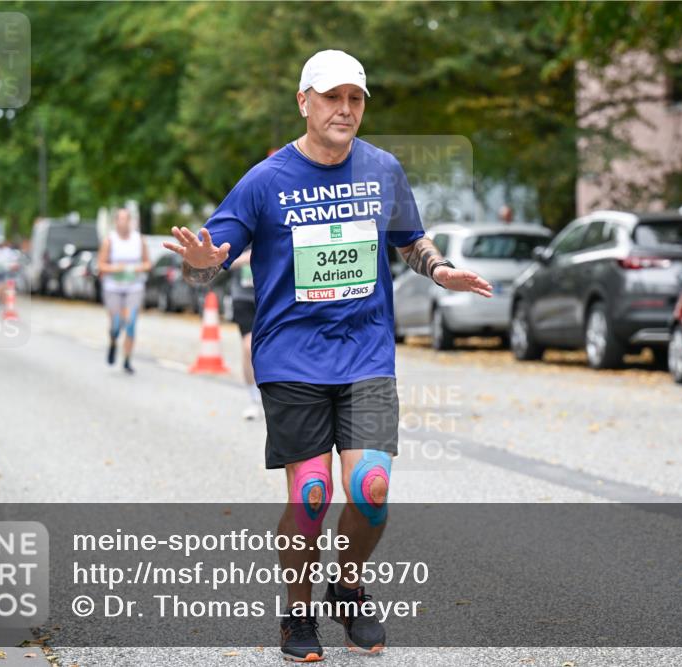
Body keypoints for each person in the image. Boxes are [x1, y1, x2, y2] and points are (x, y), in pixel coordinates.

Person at [164, 49, 491, 662]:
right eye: (332, 97)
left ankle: (346, 585)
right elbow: (213, 257)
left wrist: (440, 269)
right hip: (291, 358)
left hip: (366, 352)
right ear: (304, 101)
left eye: (356, 99)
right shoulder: (265, 180)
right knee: (312, 495)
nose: (345, 109)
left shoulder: (382, 169)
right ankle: (296, 612)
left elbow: (408, 239)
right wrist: (201, 264)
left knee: (369, 489)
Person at [98, 208, 150, 374]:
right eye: (120, 219)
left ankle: (127, 359)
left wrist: (137, 268)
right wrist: (116, 268)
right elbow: (100, 265)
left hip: (134, 287)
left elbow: (148, 263)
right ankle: (113, 340)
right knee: (116, 323)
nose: (123, 223)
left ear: (130, 221)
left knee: (131, 323)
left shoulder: (138, 239)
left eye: (126, 219)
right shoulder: (110, 241)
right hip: (113, 287)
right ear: (116, 222)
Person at [228, 247, 261, 420]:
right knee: (248, 348)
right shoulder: (240, 228)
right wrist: (244, 258)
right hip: (243, 299)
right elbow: (220, 262)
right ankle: (253, 398)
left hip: (269, 297)